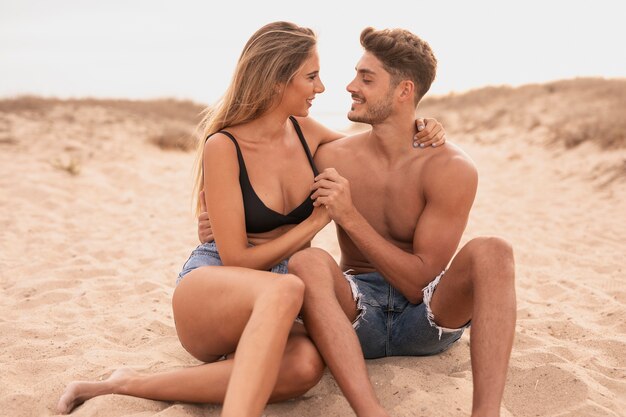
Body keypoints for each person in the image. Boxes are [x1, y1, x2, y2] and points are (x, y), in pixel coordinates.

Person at [56, 22, 446, 417]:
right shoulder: (224, 146)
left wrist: (421, 124)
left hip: (280, 292)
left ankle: (125, 383)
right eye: (311, 77)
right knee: (286, 288)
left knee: (305, 366)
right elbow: (238, 259)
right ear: (278, 79)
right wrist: (314, 224)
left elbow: (377, 146)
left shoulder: (308, 133)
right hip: (217, 284)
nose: (322, 88)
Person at [200, 27, 517, 416]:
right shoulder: (332, 156)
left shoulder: (451, 168)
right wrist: (221, 223)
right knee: (308, 263)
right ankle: (370, 412)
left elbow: (419, 286)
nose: (349, 86)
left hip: (429, 319)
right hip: (353, 317)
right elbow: (263, 171)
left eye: (366, 78)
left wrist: (349, 217)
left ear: (404, 91)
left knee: (494, 252)